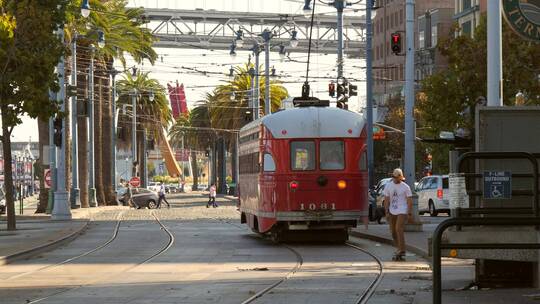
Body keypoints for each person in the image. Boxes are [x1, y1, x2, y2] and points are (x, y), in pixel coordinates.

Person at [383, 168, 413, 261]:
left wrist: (408, 212)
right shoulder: (388, 186)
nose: (395, 179)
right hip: (392, 210)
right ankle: (398, 248)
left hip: (402, 210)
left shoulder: (405, 187)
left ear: (401, 177)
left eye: (397, 177)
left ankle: (402, 250)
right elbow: (386, 200)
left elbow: (409, 201)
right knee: (393, 231)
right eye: (394, 177)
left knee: (398, 228)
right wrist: (386, 212)